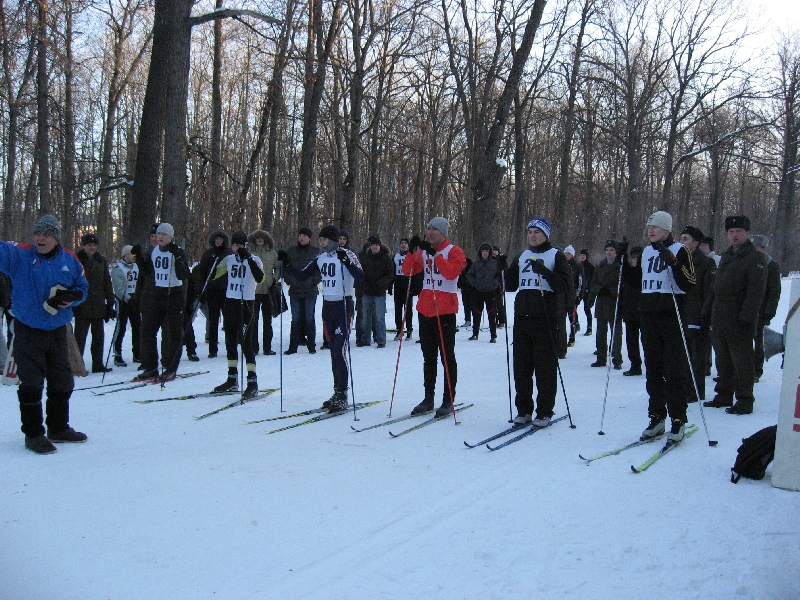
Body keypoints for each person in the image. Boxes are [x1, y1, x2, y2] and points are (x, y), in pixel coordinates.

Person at [0, 215, 89, 454]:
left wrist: (73, 297)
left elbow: (82, 286)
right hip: (28, 329)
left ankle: (58, 428)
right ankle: (33, 434)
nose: (40, 238)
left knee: (62, 381)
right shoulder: (20, 255)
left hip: (58, 330)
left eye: (46, 235)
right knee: (31, 383)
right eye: (38, 234)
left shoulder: (69, 260)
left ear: (56, 238)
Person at [280, 225, 364, 412]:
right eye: (320, 240)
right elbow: (302, 276)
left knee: (340, 349)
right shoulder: (320, 257)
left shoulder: (347, 255)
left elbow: (361, 277)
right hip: (328, 306)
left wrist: (348, 264)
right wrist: (286, 264)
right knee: (333, 350)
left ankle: (342, 394)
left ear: (333, 240)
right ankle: (337, 391)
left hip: (344, 305)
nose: (321, 243)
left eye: (324, 239)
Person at [505, 218, 571, 426]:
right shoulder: (523, 256)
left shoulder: (556, 255)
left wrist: (546, 272)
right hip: (522, 317)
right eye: (529, 232)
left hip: (545, 318)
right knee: (522, 367)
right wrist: (503, 270)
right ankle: (523, 410)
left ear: (546, 235)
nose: (532, 236)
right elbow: (510, 285)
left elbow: (564, 285)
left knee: (544, 367)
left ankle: (544, 411)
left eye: (537, 232)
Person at [638, 211, 696, 443]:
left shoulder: (679, 250)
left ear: (667, 230)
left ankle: (678, 419)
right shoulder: (645, 251)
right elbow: (641, 281)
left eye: (656, 227)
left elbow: (690, 282)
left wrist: (674, 263)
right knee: (652, 369)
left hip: (671, 314)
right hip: (649, 315)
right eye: (649, 226)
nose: (651, 230)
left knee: (673, 370)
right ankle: (656, 417)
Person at [702, 216, 768, 414]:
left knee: (742, 361)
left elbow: (755, 292)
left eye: (739, 231)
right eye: (731, 232)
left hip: (740, 316)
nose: (735, 235)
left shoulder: (755, 258)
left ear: (747, 233)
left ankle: (745, 399)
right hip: (720, 315)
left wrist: (748, 318)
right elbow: (715, 287)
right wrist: (707, 310)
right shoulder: (726, 256)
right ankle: (724, 394)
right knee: (723, 359)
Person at [403, 217, 466, 417]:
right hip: (425, 309)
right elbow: (408, 271)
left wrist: (436, 255)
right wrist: (411, 252)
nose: (430, 232)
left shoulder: (454, 251)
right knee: (428, 357)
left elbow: (451, 274)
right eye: (428, 228)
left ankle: (448, 400)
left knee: (447, 357)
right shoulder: (424, 251)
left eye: (434, 229)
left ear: (444, 232)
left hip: (445, 310)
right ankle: (428, 398)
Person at [132, 222, 189, 382]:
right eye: (159, 234)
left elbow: (183, 275)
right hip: (158, 293)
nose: (160, 237)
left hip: (175, 294)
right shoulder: (154, 251)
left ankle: (171, 368)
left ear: (171, 237)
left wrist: (177, 256)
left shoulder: (177, 251)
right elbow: (148, 273)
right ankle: (151, 367)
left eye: (164, 234)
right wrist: (138, 258)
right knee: (147, 330)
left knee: (173, 333)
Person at [212, 230, 265, 398]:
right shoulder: (229, 259)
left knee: (246, 342)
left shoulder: (254, 259)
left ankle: (252, 381)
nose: (236, 248)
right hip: (231, 303)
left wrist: (248, 258)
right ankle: (232, 378)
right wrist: (214, 259)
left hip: (247, 304)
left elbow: (260, 278)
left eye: (239, 246)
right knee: (230, 340)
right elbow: (213, 274)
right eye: (234, 245)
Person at [679, 225, 716, 400]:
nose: (682, 242)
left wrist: (703, 316)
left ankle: (695, 390)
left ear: (695, 243)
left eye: (686, 239)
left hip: (697, 315)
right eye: (681, 238)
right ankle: (684, 387)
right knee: (682, 354)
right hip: (681, 313)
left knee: (697, 357)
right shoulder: (679, 261)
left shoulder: (706, 264)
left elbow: (709, 293)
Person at [73, 233, 116, 373]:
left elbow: (106, 281)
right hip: (82, 303)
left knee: (98, 337)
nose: (92, 248)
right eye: (89, 245)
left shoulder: (101, 260)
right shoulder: (76, 260)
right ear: (83, 246)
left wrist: (110, 301)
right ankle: (77, 365)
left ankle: (98, 363)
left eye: (94, 245)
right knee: (79, 338)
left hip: (98, 304)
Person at [284, 227, 321, 354]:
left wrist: (313, 281)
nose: (302, 238)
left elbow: (320, 271)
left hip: (310, 291)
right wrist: (290, 281)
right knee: (295, 319)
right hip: (295, 291)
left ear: (309, 238)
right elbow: (285, 268)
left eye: (305, 235)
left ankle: (311, 345)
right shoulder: (291, 251)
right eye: (300, 235)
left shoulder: (316, 252)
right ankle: (293, 346)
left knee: (309, 318)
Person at [197, 230, 231, 358]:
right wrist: (202, 291)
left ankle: (230, 346)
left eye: (221, 239)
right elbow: (202, 273)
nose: (219, 241)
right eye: (217, 239)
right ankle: (212, 349)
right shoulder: (207, 254)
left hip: (226, 291)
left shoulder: (228, 253)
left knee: (228, 321)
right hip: (212, 292)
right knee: (213, 321)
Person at [751, 235, 781, 382]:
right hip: (747, 308)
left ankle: (756, 370)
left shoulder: (772, 265)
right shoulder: (748, 262)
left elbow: (774, 291)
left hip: (762, 310)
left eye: (760, 247)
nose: (758, 250)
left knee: (758, 341)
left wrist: (769, 311)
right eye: (755, 247)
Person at [590, 240, 623, 369]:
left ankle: (617, 359)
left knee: (616, 333)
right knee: (600, 332)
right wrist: (598, 291)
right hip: (601, 302)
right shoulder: (600, 266)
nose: (609, 252)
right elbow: (593, 282)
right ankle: (601, 357)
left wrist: (611, 290)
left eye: (612, 250)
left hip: (614, 302)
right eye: (607, 250)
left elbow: (622, 285)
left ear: (616, 252)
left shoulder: (620, 266)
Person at [248, 229, 280, 355]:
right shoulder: (250, 253)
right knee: (253, 321)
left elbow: (278, 268)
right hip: (253, 291)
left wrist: (274, 279)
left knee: (268, 321)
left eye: (262, 238)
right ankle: (254, 347)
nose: (260, 240)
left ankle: (267, 348)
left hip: (268, 291)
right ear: (254, 240)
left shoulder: (272, 253)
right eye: (257, 238)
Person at [359, 235, 394, 348]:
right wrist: (363, 283)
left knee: (379, 318)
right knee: (366, 318)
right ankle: (365, 339)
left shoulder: (386, 258)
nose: (375, 247)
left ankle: (381, 340)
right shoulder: (366, 258)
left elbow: (390, 275)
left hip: (379, 292)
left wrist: (382, 283)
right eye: (373, 245)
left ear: (380, 246)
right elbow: (360, 272)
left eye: (376, 245)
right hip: (367, 291)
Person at [111, 244, 141, 366]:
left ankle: (138, 353)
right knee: (121, 327)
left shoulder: (137, 267)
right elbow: (119, 289)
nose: (133, 257)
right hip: (123, 302)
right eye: (131, 254)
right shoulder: (118, 269)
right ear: (125, 255)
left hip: (135, 300)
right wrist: (128, 298)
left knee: (137, 327)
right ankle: (117, 354)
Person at [466, 242, 500, 342]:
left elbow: (500, 276)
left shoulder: (494, 263)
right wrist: (475, 283)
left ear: (489, 253)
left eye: (487, 251)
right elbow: (469, 275)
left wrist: (495, 283)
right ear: (480, 252)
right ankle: (475, 334)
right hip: (478, 292)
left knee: (492, 315)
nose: (485, 253)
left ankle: (493, 336)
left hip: (491, 292)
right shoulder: (476, 263)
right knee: (476, 314)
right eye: (483, 251)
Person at [619, 246, 643, 376]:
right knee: (631, 341)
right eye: (633, 257)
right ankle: (635, 365)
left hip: (643, 311)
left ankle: (651, 365)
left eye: (637, 258)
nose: (635, 260)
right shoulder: (627, 273)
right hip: (629, 311)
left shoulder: (643, 272)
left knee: (646, 341)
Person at [392, 238, 414, 341]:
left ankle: (409, 330)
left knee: (408, 309)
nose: (403, 245)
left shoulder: (411, 256)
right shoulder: (395, 256)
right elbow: (392, 271)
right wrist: (390, 285)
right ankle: (399, 330)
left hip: (408, 282)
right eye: (402, 243)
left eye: (405, 243)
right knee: (398, 308)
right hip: (398, 282)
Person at [563, 245, 582, 347]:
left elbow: (580, 281)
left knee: (572, 316)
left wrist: (578, 295)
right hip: (563, 295)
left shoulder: (577, 266)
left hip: (572, 295)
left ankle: (572, 337)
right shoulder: (562, 264)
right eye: (565, 253)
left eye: (569, 253)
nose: (567, 255)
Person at [578, 249, 595, 335]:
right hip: (580, 290)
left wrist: (589, 288)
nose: (582, 257)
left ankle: (589, 327)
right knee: (573, 307)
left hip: (587, 290)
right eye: (581, 255)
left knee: (586, 309)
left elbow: (593, 279)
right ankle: (576, 324)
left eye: (583, 256)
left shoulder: (591, 267)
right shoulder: (578, 266)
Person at [492, 246, 508, 326]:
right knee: (493, 303)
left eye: (496, 251)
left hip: (500, 283)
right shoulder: (491, 260)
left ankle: (502, 320)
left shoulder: (501, 259)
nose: (494, 252)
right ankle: (495, 320)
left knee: (499, 303)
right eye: (493, 251)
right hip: (492, 284)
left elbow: (505, 269)